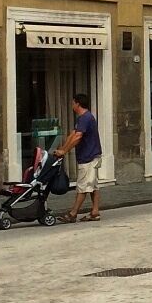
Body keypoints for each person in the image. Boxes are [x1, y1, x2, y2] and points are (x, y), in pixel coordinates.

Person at [53, 93, 103, 222]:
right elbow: (73, 134)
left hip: (89, 157)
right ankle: (95, 212)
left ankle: (73, 213)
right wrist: (63, 149)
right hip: (91, 156)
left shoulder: (85, 118)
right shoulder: (83, 118)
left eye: (73, 102)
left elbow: (77, 137)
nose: (72, 105)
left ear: (77, 103)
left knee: (83, 186)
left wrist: (64, 151)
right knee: (93, 186)